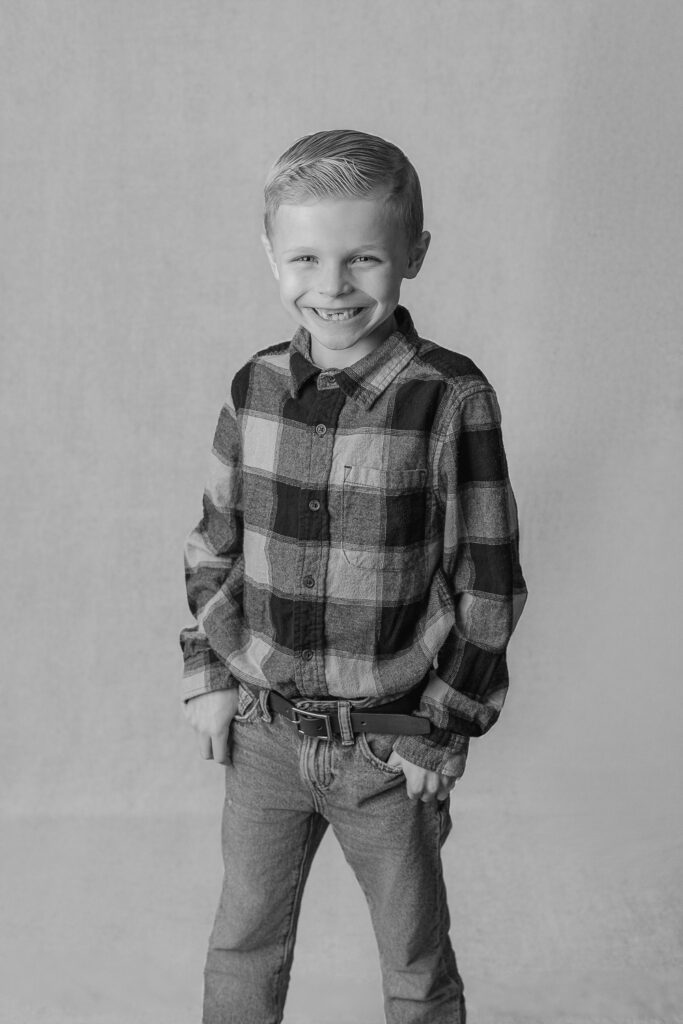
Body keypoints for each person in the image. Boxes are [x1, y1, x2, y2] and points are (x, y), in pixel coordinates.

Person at [180, 129, 527, 1024]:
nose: (331, 286)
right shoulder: (253, 388)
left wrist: (438, 729)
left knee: (415, 960)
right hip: (263, 734)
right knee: (241, 944)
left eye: (363, 257)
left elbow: (485, 582)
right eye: (305, 257)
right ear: (271, 256)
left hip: (389, 737)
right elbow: (215, 544)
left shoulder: (450, 398)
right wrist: (210, 674)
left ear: (412, 253)